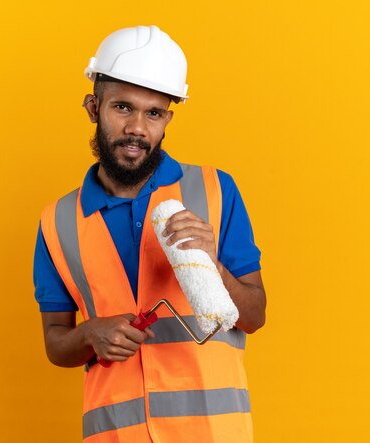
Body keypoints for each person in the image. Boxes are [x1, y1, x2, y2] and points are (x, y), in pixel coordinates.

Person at [33, 25, 266, 442]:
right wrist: (88, 334)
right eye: (123, 107)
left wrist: (214, 266)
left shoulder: (215, 191)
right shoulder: (58, 221)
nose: (138, 127)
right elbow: (55, 343)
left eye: (154, 113)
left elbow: (255, 315)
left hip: (214, 434)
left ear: (167, 119)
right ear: (93, 106)